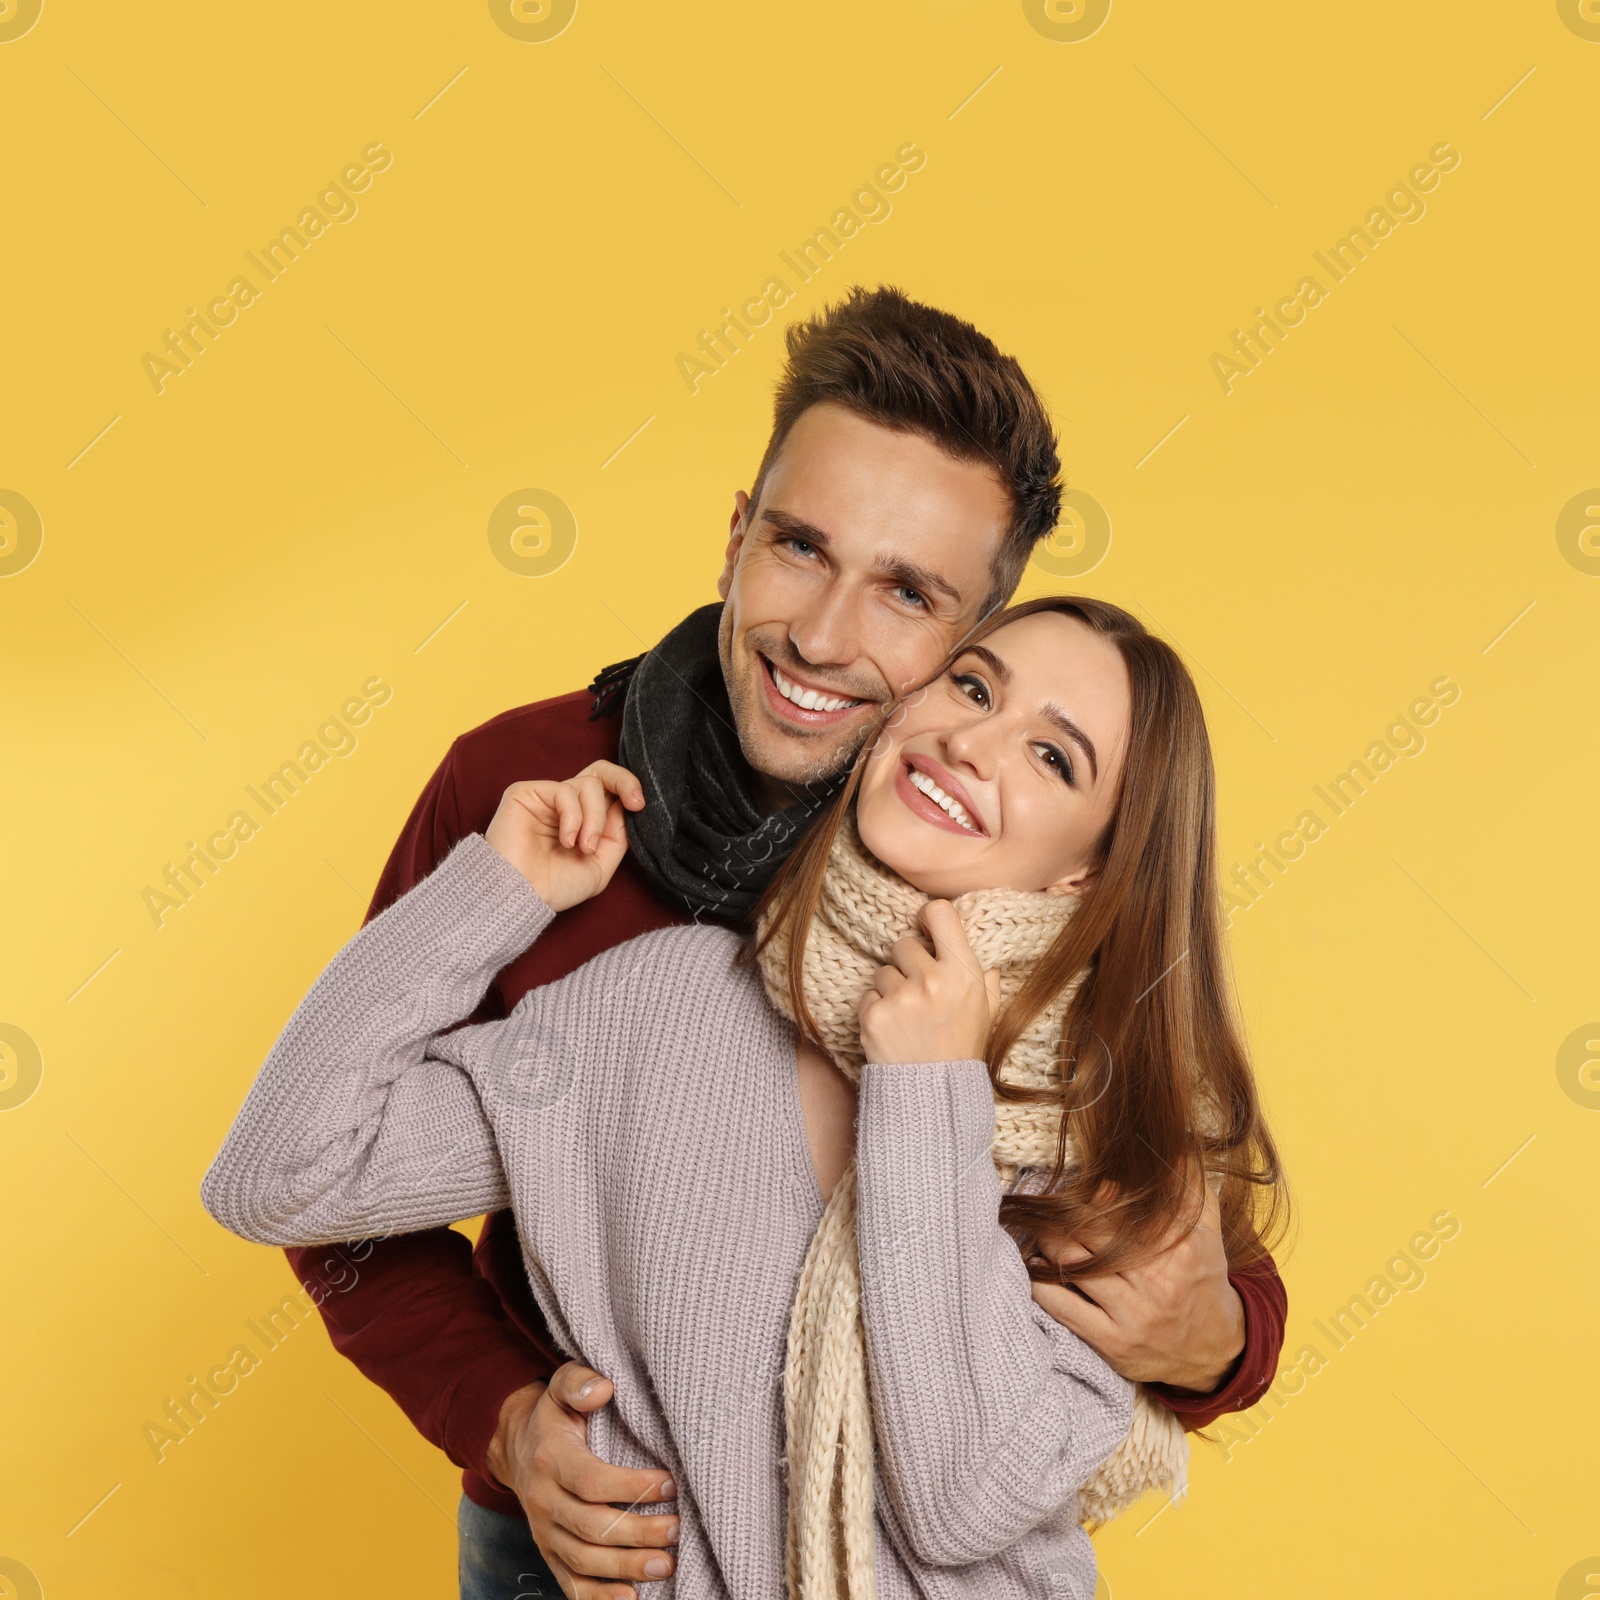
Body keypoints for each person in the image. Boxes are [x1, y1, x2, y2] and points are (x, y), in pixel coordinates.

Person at [275, 287, 1287, 1598]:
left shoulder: (979, 848)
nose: (819, 636)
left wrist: (1215, 1343)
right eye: (800, 547)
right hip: (589, 1540)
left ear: (972, 640)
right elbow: (330, 1181)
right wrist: (506, 1421)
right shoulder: (527, 787)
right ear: (737, 536)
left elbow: (1166, 1218)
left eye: (908, 593)